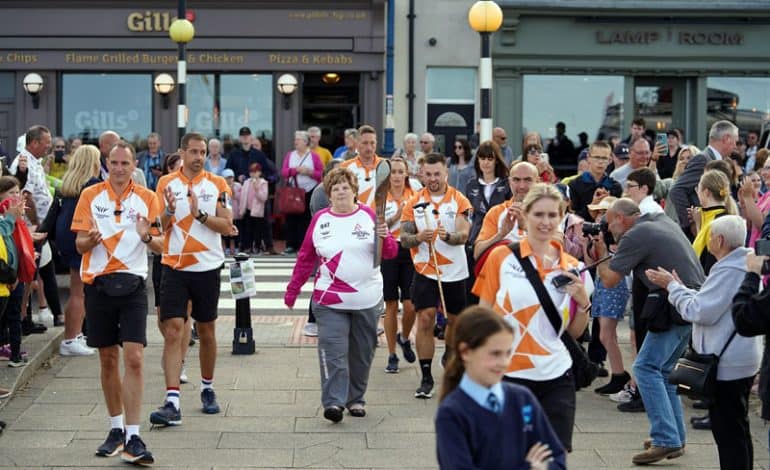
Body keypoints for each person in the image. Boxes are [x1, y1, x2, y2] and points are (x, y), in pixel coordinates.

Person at [472, 183, 593, 452]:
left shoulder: (574, 268)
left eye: (553, 215)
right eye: (539, 214)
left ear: (562, 217)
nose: (546, 222)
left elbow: (572, 333)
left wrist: (584, 303)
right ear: (525, 216)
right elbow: (482, 315)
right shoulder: (501, 258)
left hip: (556, 377)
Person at [594, 198, 705, 465]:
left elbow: (609, 280)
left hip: (672, 306)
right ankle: (674, 437)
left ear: (621, 218)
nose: (609, 229)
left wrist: (599, 252)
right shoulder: (660, 220)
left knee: (645, 368)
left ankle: (665, 438)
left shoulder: (634, 235)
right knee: (664, 371)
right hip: (691, 303)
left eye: (609, 222)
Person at [646, 215, 760, 470]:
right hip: (741, 359)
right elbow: (710, 302)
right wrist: (679, 287)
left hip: (727, 364)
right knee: (738, 429)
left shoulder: (730, 269)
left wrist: (673, 289)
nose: (708, 240)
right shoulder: (742, 264)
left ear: (719, 240)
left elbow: (699, 311)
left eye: (710, 235)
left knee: (729, 433)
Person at [284, 167, 397, 422]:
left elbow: (389, 252)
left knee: (361, 353)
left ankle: (355, 399)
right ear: (329, 194)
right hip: (328, 300)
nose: (341, 191)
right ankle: (334, 402)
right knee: (333, 352)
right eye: (335, 188)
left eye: (345, 187)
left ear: (355, 191)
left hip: (367, 299)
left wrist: (385, 236)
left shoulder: (369, 216)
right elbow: (305, 257)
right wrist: (293, 290)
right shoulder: (320, 219)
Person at [72, 140, 160, 464]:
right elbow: (79, 244)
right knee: (108, 358)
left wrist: (146, 235)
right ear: (106, 164)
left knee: (134, 357)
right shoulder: (89, 196)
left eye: (125, 163)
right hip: (98, 285)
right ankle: (115, 428)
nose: (119, 168)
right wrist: (90, 239)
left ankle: (134, 437)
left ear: (134, 165)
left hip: (134, 286)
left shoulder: (148, 199)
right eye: (114, 163)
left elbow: (162, 246)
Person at [151, 133, 234, 426]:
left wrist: (200, 215)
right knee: (173, 329)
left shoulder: (218, 184)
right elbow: (156, 225)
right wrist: (170, 211)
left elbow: (227, 225)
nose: (199, 157)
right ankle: (172, 400)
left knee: (207, 330)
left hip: (207, 267)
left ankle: (208, 388)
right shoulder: (165, 184)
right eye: (194, 152)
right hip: (174, 265)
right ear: (182, 153)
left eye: (203, 152)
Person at [435, 306, 566, 469]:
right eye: (495, 354)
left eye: (508, 353)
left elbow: (557, 457)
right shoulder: (452, 413)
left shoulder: (522, 398)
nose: (504, 362)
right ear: (465, 352)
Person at [400, 153, 472, 399]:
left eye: (437, 174)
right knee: (426, 319)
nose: (432, 179)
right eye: (428, 174)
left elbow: (464, 234)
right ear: (422, 174)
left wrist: (448, 237)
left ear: (446, 173)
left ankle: (450, 351)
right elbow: (404, 239)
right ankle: (426, 376)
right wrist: (419, 237)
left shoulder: (459, 200)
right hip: (425, 269)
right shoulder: (413, 202)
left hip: (455, 271)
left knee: (455, 321)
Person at [55, 144, 102, 356]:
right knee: (79, 292)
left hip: (65, 236)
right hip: (79, 237)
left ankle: (74, 336)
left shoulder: (69, 183)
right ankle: (71, 339)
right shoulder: (92, 184)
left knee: (77, 290)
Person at [670, 120, 739, 236]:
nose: (736, 146)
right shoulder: (702, 159)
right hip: (702, 230)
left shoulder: (719, 160)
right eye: (735, 141)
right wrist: (691, 225)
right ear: (726, 138)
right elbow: (676, 191)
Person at [381, 157, 417, 373]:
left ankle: (404, 337)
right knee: (391, 305)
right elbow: (377, 224)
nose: (396, 176)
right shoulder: (380, 197)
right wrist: (397, 215)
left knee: (411, 304)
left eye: (399, 171)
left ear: (406, 174)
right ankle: (392, 354)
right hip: (388, 250)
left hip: (409, 249)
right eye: (393, 171)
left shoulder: (414, 195)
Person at [473, 161, 538, 260]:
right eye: (516, 180)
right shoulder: (497, 212)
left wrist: (527, 227)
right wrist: (500, 235)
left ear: (537, 182)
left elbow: (557, 246)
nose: (522, 186)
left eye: (528, 180)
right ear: (509, 182)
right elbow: (477, 253)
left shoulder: (548, 211)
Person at [281, 130, 322, 255]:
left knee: (306, 220)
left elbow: (321, 174)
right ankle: (290, 245)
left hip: (309, 191)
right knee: (291, 219)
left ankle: (303, 246)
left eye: (298, 140)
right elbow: (284, 172)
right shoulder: (290, 155)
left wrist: (309, 172)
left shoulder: (314, 156)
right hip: (294, 192)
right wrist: (295, 170)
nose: (295, 142)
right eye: (295, 140)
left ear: (305, 142)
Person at [465, 141, 511, 251]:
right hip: (477, 238)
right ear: (478, 160)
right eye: (482, 158)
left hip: (500, 237)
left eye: (490, 159)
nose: (486, 162)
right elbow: (469, 215)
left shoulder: (506, 184)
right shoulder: (471, 185)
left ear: (496, 161)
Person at [692, 170, 738, 273]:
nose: (697, 193)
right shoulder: (711, 216)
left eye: (698, 189)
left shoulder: (719, 222)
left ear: (707, 192)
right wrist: (699, 224)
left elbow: (711, 263)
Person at [567, 141, 622, 222]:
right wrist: (591, 207)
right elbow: (570, 217)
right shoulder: (574, 185)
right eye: (596, 157)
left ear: (610, 160)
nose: (600, 162)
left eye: (604, 158)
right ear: (588, 157)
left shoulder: (615, 187)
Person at [340, 125, 383, 209]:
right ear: (357, 144)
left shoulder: (385, 165)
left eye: (372, 143)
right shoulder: (345, 167)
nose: (369, 147)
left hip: (380, 218)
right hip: (354, 216)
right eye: (365, 143)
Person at [238, 162, 268, 255]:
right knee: (248, 229)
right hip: (248, 209)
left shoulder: (263, 182)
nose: (253, 174)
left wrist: (257, 189)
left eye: (255, 172)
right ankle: (248, 246)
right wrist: (241, 209)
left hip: (257, 211)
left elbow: (264, 198)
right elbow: (243, 197)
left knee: (257, 230)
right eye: (251, 172)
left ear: (259, 172)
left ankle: (257, 247)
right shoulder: (247, 182)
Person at [222, 168, 241, 256]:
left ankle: (236, 248)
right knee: (226, 232)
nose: (229, 180)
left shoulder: (238, 186)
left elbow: (240, 198)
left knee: (235, 231)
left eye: (231, 177)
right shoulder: (221, 186)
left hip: (235, 212)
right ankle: (227, 249)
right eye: (227, 178)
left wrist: (232, 190)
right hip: (225, 213)